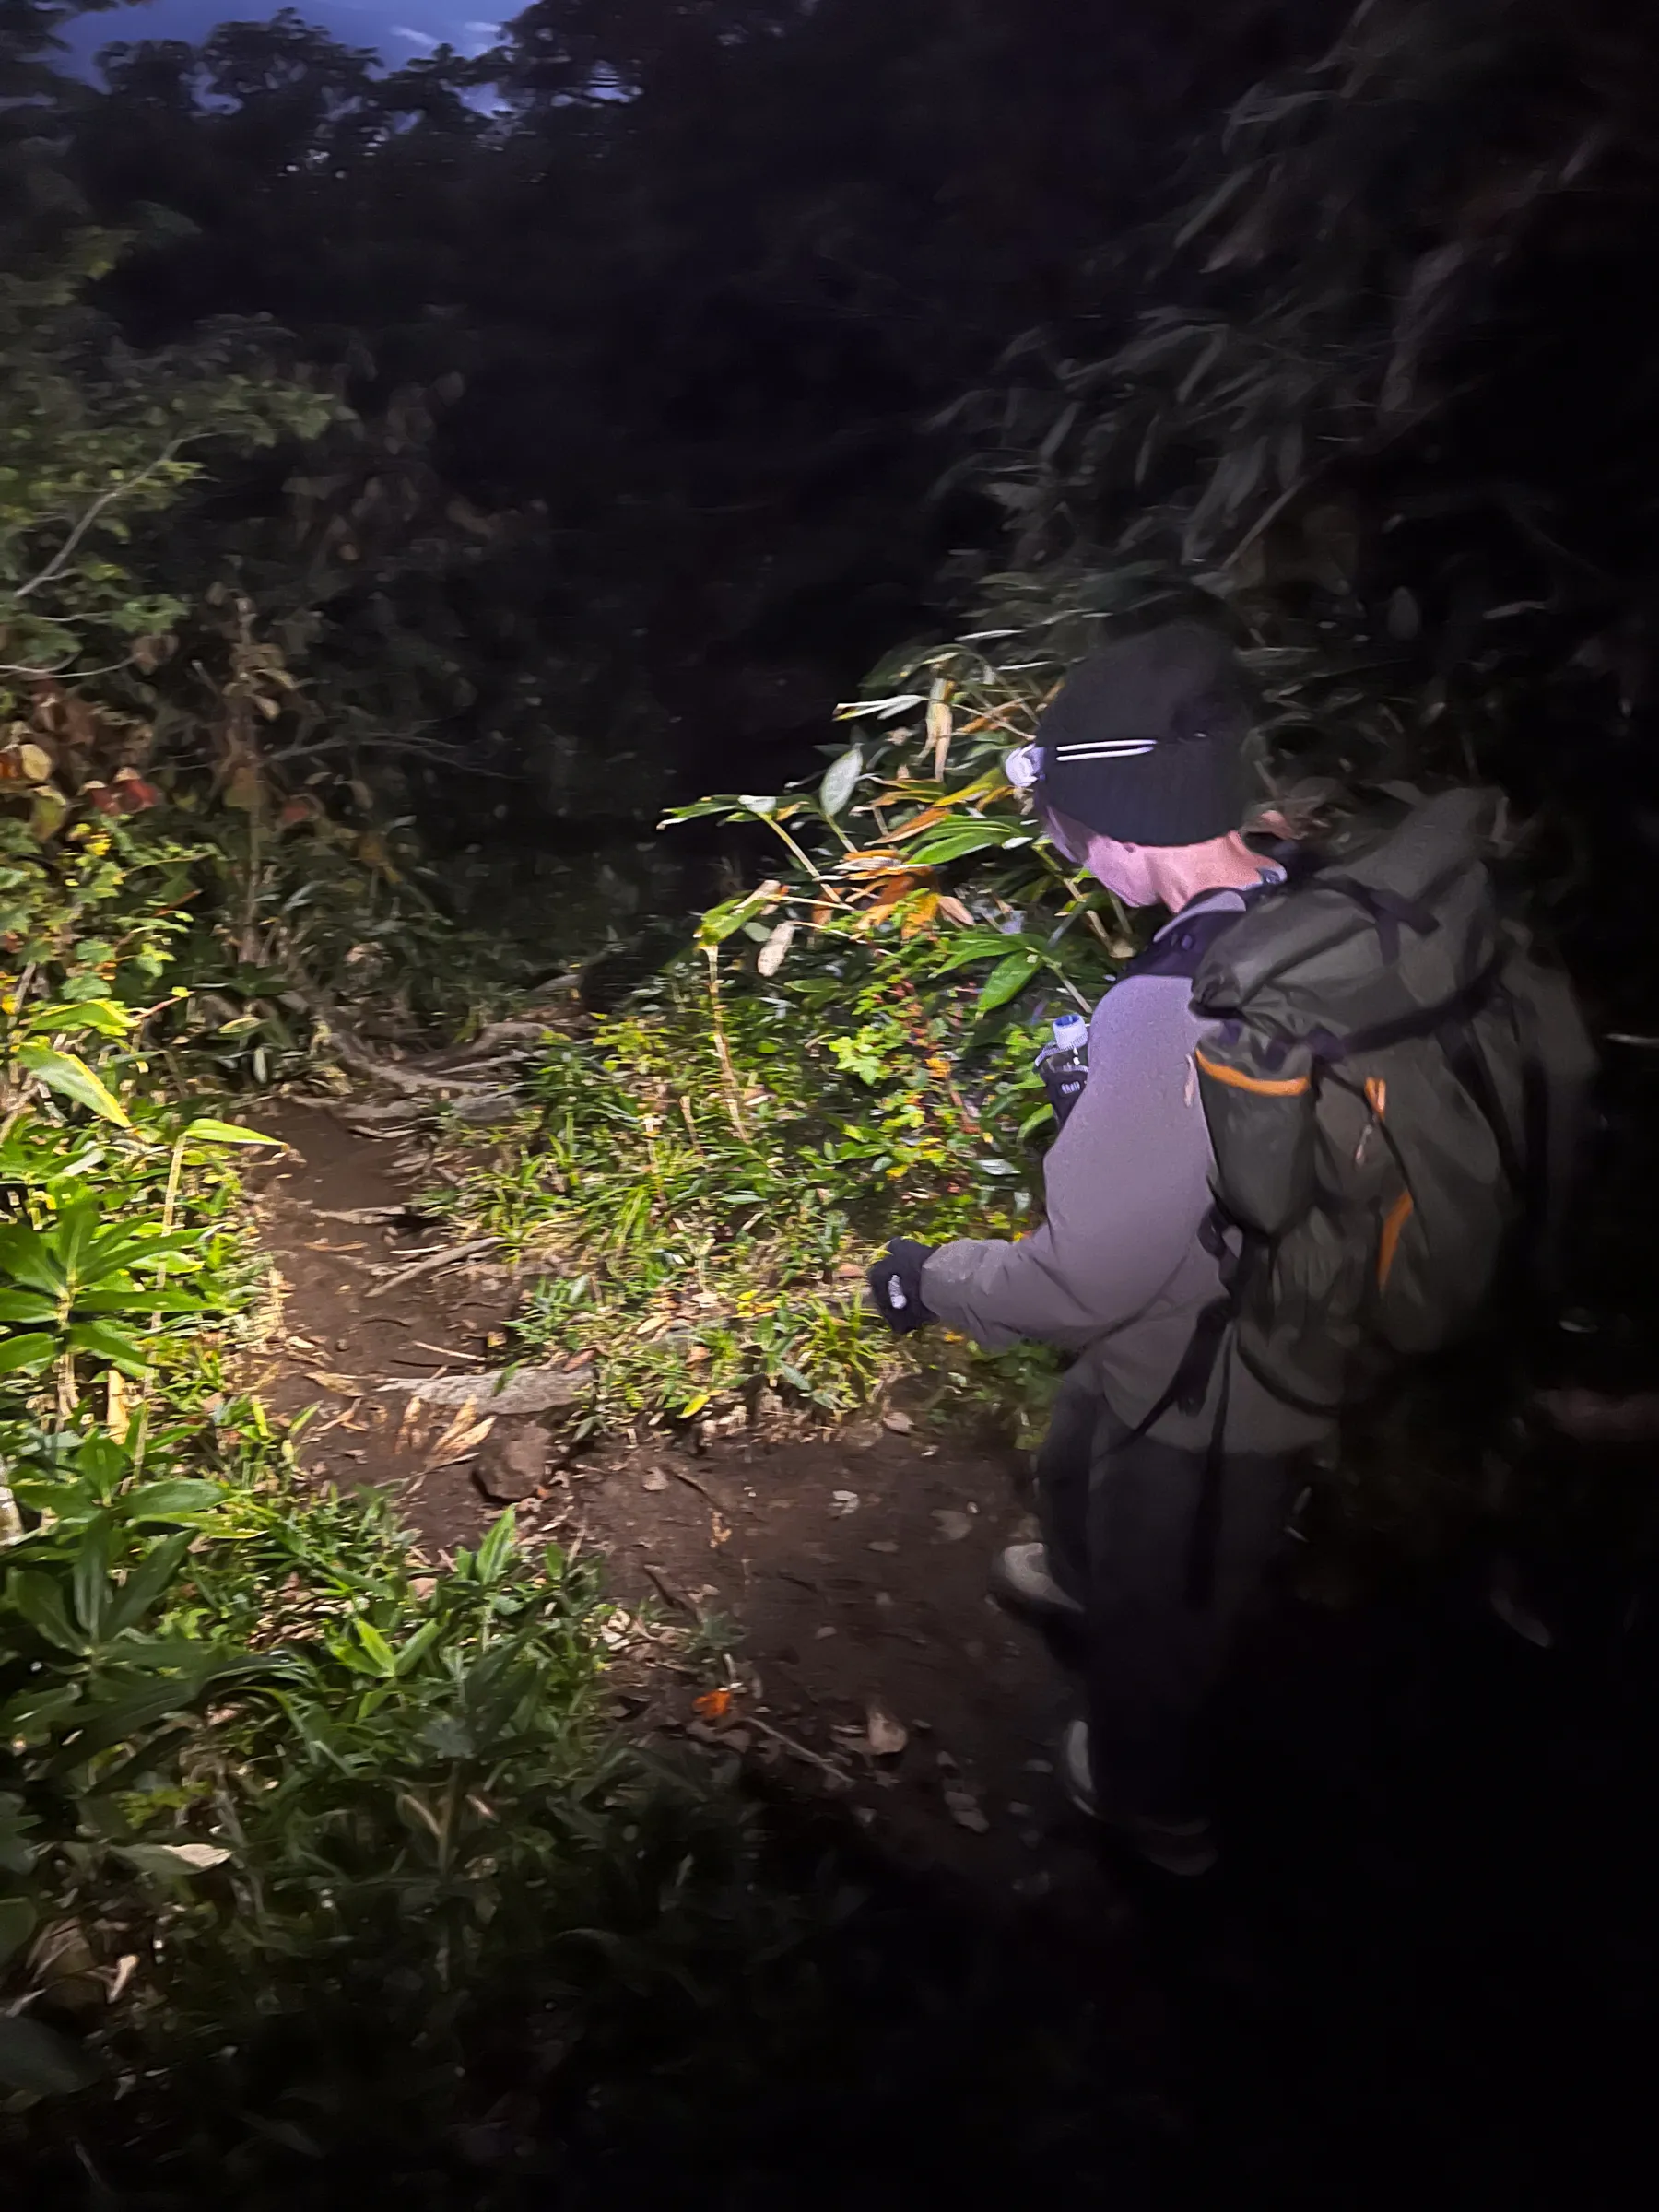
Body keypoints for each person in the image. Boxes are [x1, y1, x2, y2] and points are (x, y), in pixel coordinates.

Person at [866, 623, 1332, 1877]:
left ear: (1122, 822)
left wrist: (926, 1276)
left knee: (1165, 1600)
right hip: (1225, 1307)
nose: (1068, 849)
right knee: (1084, 1452)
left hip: (1223, 1378)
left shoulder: (1173, 1004)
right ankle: (1078, 1578)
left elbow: (1080, 1280)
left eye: (1072, 821)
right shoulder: (1295, 900)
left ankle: (1149, 1801)